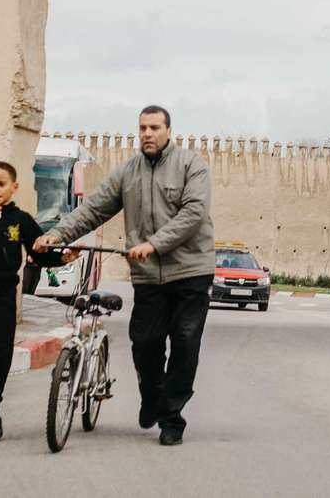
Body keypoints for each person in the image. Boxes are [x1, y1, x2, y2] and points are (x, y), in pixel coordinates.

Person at [37, 105, 213, 446]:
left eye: (154, 127)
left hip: (190, 272)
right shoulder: (127, 173)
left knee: (185, 343)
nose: (147, 134)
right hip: (148, 277)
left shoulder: (192, 166)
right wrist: (57, 235)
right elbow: (93, 209)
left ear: (168, 131)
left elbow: (194, 212)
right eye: (142, 128)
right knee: (144, 343)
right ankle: (153, 397)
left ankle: (172, 418)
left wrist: (154, 244)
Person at [0, 160, 68, 444]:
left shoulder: (21, 220)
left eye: (1, 184)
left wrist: (61, 258)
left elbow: (38, 252)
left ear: (14, 187)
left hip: (4, 296)